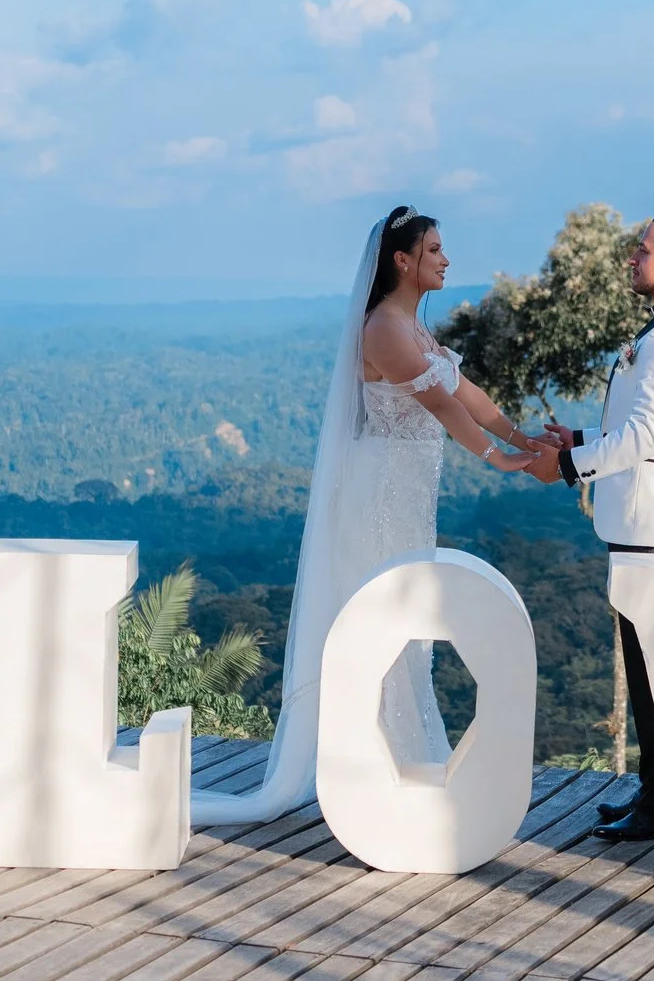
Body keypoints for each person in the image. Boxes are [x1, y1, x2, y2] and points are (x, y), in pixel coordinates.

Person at [191, 207, 543, 825]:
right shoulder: (384, 328)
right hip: (379, 498)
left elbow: (469, 395)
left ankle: (400, 766)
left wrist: (525, 438)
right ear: (402, 262)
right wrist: (502, 460)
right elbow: (440, 406)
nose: (445, 258)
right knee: (381, 618)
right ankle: (369, 772)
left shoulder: (415, 326)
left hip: (408, 499)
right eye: (434, 249)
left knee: (409, 622)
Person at [525, 212, 654, 842]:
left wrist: (567, 464)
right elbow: (651, 430)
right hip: (653, 530)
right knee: (649, 675)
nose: (631, 259)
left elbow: (646, 437)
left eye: (642, 250)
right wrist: (581, 437)